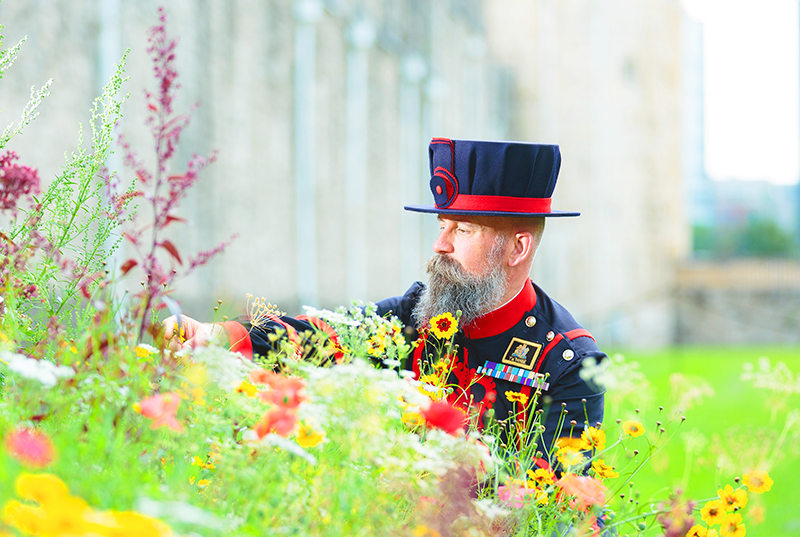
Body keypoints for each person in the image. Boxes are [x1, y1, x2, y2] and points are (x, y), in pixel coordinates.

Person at [168, 137, 605, 457]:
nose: (441, 245)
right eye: (441, 226)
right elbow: (324, 334)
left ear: (518, 248)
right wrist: (213, 335)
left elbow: (551, 504)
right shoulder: (416, 315)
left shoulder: (568, 363)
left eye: (464, 230)